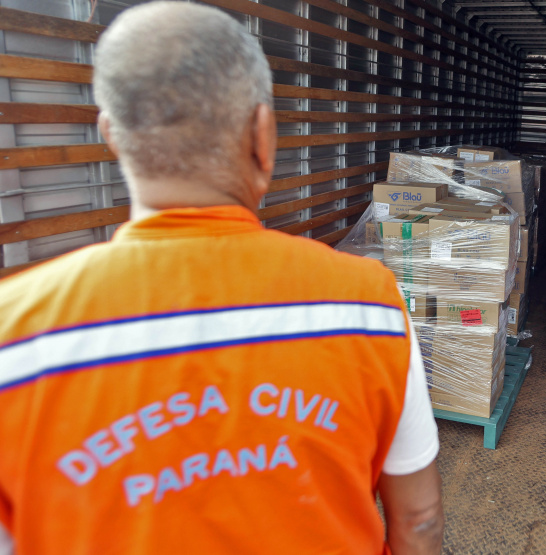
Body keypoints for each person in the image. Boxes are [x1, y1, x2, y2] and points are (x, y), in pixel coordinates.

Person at [0, 3, 443, 553]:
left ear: (111, 135)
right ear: (264, 134)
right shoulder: (369, 304)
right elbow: (418, 520)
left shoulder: (15, 337)